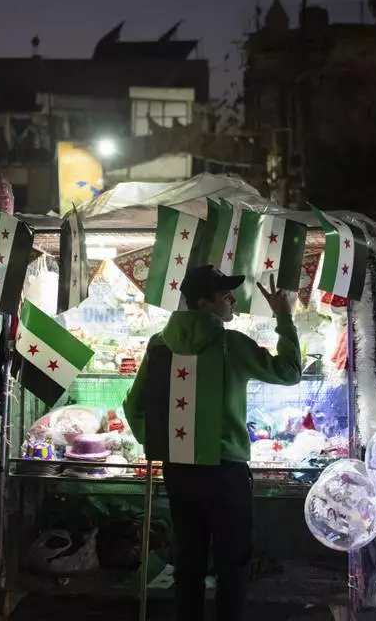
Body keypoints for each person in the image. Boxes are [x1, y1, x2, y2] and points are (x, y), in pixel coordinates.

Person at [123, 266, 302, 621]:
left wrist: (158, 443)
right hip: (225, 473)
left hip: (178, 470)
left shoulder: (159, 344)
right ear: (205, 304)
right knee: (231, 565)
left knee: (188, 562)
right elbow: (289, 371)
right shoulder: (231, 344)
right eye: (225, 295)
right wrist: (284, 318)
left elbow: (133, 406)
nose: (232, 299)